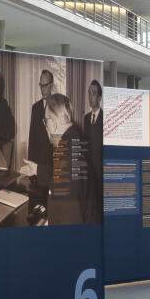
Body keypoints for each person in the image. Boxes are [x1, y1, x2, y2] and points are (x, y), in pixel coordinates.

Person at [43, 93, 89, 226]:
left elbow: (71, 218)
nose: (45, 126)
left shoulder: (66, 156)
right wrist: (37, 169)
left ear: (53, 121)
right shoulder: (74, 139)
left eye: (45, 121)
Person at [28, 67, 57, 213]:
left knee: (51, 208)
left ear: (51, 85)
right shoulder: (35, 108)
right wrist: (31, 168)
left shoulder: (59, 107)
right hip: (38, 165)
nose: (42, 89)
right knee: (37, 207)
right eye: (40, 85)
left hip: (53, 165)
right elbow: (32, 139)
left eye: (45, 85)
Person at [82, 79, 104, 224]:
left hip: (102, 172)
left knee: (101, 208)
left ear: (100, 97)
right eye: (89, 93)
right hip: (89, 172)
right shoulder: (85, 119)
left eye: (94, 93)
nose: (91, 97)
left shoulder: (106, 119)